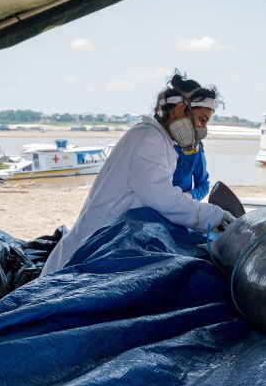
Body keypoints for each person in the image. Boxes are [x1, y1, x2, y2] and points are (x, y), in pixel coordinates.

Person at [41, 70, 235, 276]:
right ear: (181, 109)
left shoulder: (161, 142)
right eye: (202, 119)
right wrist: (215, 216)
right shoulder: (147, 140)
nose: (202, 129)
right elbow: (164, 199)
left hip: (102, 246)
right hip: (82, 254)